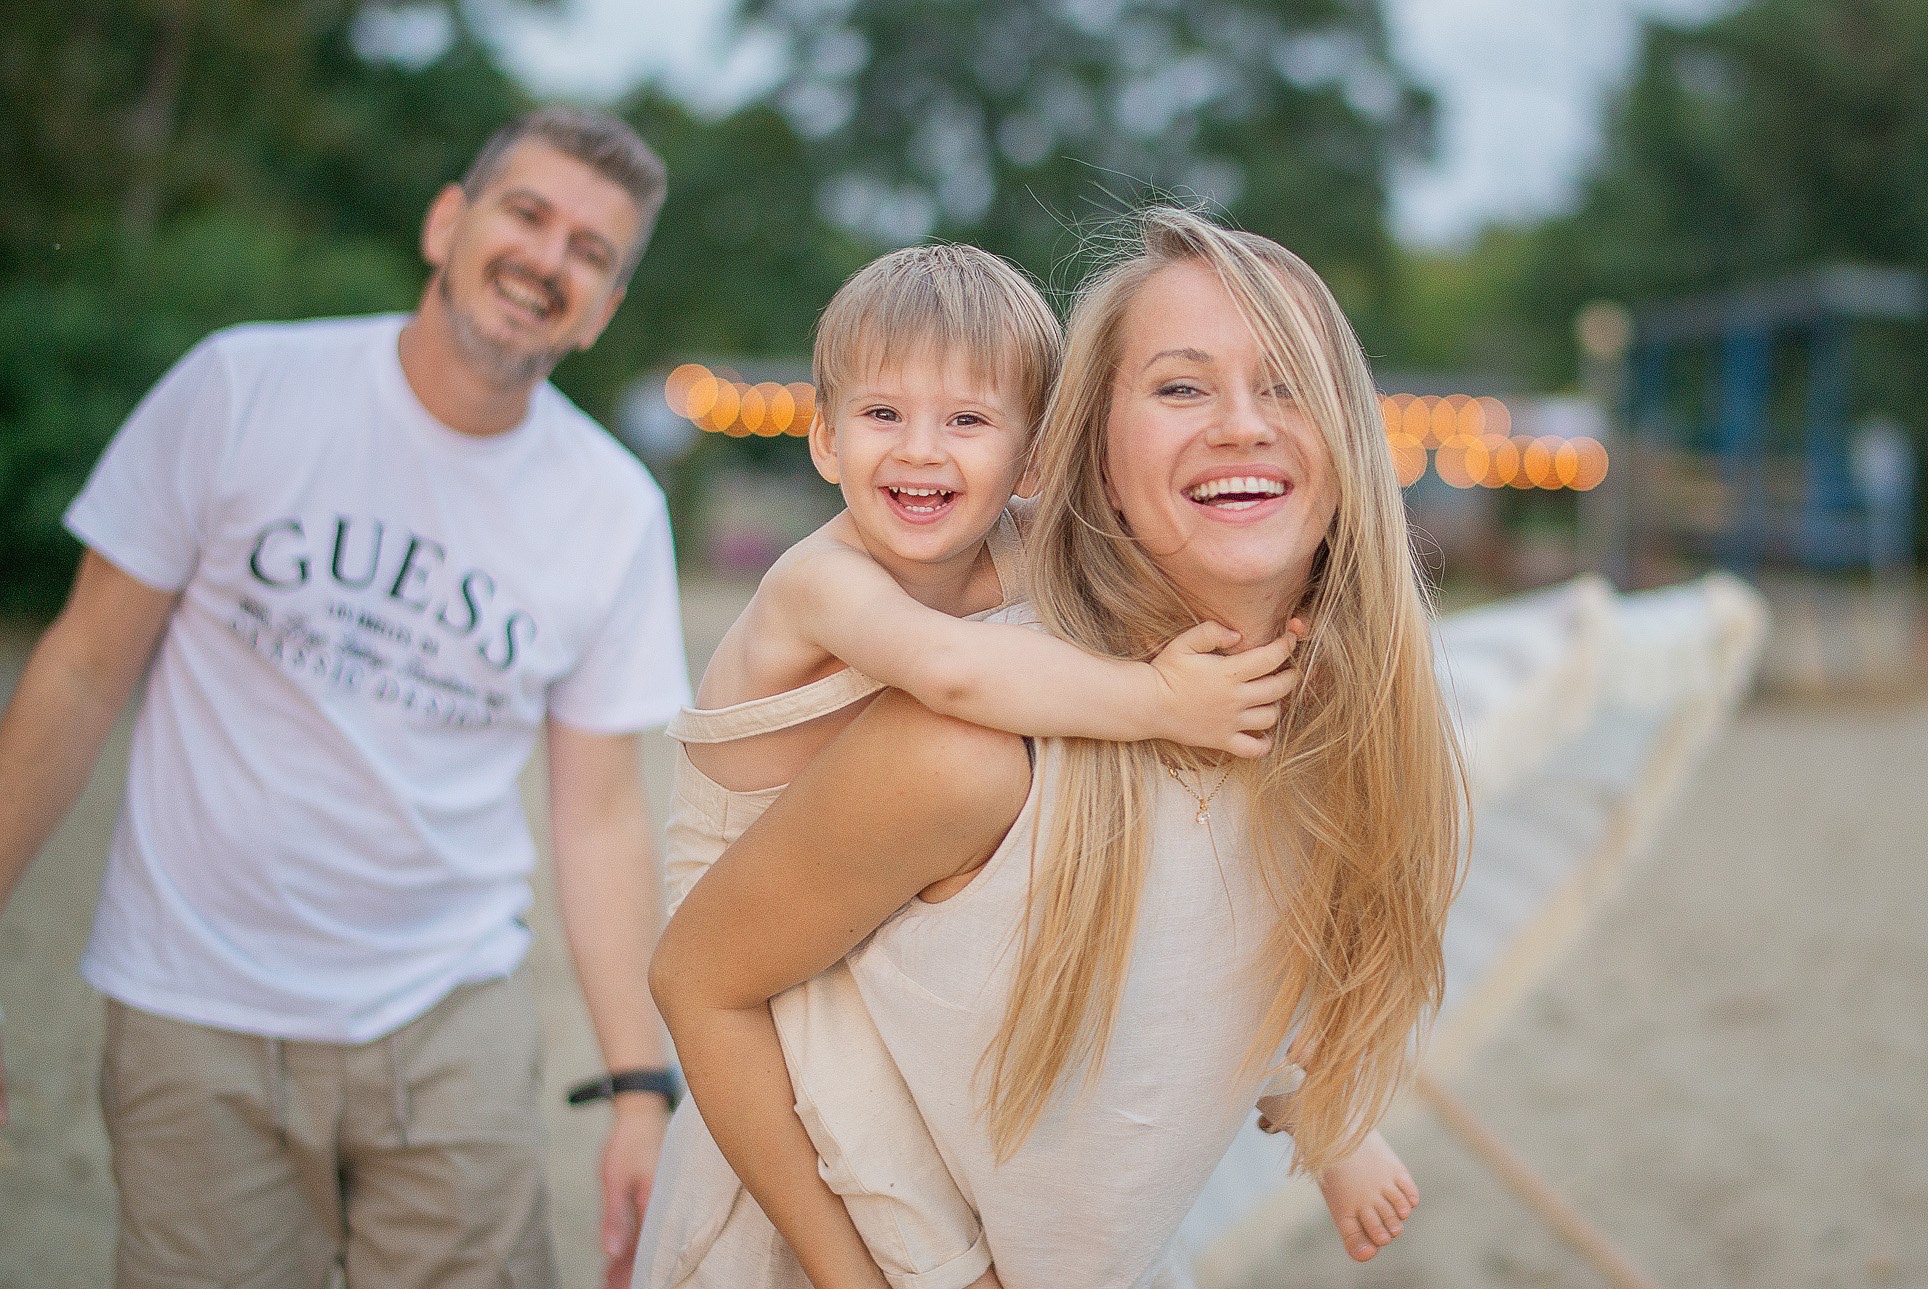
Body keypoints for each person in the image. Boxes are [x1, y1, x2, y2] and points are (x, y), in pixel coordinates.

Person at [647, 206, 1466, 1287]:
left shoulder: (1309, 720)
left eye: (1288, 383)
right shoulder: (950, 707)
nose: (1239, 423)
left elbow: (1206, 975)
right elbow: (949, 678)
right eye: (1179, 385)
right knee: (828, 1039)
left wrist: (1324, 1107)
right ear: (1095, 450)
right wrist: (1161, 700)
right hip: (754, 942)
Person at [0, 107, 689, 1289]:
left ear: (607, 308)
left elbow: (599, 814)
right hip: (191, 999)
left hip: (447, 1013)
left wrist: (639, 1084)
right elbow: (77, 670)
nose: (547, 258)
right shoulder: (243, 387)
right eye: (527, 214)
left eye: (592, 250)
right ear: (445, 221)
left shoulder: (611, 507)